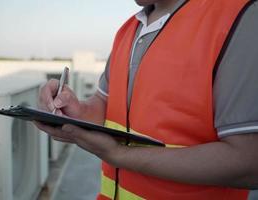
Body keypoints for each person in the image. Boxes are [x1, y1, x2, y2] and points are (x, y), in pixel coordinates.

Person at [35, 0, 258, 199]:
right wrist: (74, 111)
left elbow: (249, 162)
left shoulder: (240, 17)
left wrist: (118, 155)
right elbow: (104, 104)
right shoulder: (128, 30)